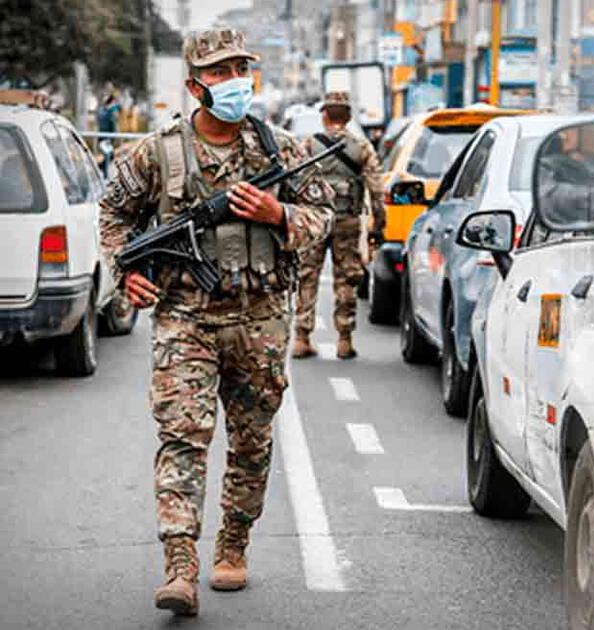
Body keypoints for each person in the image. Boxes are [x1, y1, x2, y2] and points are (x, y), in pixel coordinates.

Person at [98, 28, 333, 617]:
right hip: (186, 319)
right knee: (183, 436)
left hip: (260, 316)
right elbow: (114, 213)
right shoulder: (158, 152)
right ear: (194, 85)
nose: (233, 82)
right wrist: (124, 273)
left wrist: (281, 214)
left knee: (251, 441)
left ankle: (233, 542)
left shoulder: (280, 150)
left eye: (239, 70)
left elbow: (326, 214)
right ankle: (180, 565)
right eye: (220, 73)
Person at [292, 90, 387, 360]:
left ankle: (302, 337)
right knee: (346, 278)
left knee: (307, 276)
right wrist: (378, 225)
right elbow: (377, 190)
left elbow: (293, 183)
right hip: (347, 220)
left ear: (324, 116)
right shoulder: (361, 147)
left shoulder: (309, 145)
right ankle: (344, 339)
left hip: (313, 222)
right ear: (348, 116)